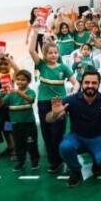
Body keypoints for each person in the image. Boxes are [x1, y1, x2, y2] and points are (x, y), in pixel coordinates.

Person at [47, 71, 101, 187]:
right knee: (65, 147)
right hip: (76, 137)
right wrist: (55, 114)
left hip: (98, 138)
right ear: (81, 84)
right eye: (87, 82)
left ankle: (97, 163)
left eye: (94, 83)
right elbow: (49, 119)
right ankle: (75, 171)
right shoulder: (71, 100)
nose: (90, 85)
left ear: (99, 84)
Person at [28, 37, 77, 174]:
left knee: (57, 134)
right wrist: (35, 31)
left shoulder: (63, 68)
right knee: (47, 134)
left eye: (56, 52)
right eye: (50, 53)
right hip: (43, 104)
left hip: (59, 104)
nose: (53, 55)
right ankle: (53, 161)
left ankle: (60, 159)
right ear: (45, 54)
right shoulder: (41, 65)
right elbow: (31, 50)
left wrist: (75, 88)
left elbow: (76, 82)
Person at [0, 70, 39, 172]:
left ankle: (34, 161)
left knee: (31, 144)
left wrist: (18, 92)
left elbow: (30, 100)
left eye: (23, 80)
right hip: (15, 124)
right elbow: (1, 104)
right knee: (18, 144)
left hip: (28, 124)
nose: (20, 82)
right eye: (18, 79)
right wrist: (0, 95)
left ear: (28, 81)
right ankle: (20, 162)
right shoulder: (11, 94)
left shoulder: (30, 92)